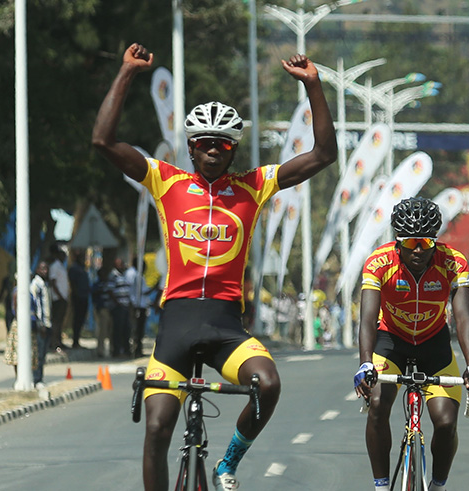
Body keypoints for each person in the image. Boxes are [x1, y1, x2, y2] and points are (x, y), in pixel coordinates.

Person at [92, 42, 337, 491]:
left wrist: (314, 86)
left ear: (232, 148)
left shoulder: (254, 186)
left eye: (222, 144)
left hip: (227, 327)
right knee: (157, 430)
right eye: (204, 144)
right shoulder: (165, 180)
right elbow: (103, 141)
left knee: (268, 384)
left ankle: (227, 463)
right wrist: (127, 72)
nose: (212, 151)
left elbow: (323, 155)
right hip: (176, 326)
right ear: (190, 147)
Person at [354, 197, 469, 491]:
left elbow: (463, 318)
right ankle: (380, 485)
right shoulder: (379, 262)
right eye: (410, 243)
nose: (418, 251)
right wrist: (365, 363)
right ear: (397, 241)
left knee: (446, 422)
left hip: (433, 343)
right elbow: (367, 319)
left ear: (435, 242)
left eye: (425, 244)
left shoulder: (453, 262)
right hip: (391, 340)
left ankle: (438, 486)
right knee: (377, 404)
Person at [30, 260, 52, 387]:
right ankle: (36, 379)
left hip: (47, 323)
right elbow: (34, 306)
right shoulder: (35, 285)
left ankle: (40, 378)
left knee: (43, 354)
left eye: (46, 269)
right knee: (38, 353)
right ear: (37, 270)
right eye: (42, 269)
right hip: (41, 325)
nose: (45, 271)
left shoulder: (45, 284)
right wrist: (40, 324)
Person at [47, 243, 70, 352]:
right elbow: (53, 282)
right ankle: (54, 342)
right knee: (56, 321)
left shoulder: (61, 266)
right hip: (57, 298)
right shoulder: (54, 266)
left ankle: (59, 341)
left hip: (63, 298)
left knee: (60, 321)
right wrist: (60, 295)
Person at [68, 249, 90, 349]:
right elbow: (73, 283)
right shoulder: (74, 268)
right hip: (78, 297)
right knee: (77, 319)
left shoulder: (83, 268)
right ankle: (75, 341)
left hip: (84, 296)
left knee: (81, 319)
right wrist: (76, 295)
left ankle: (77, 340)